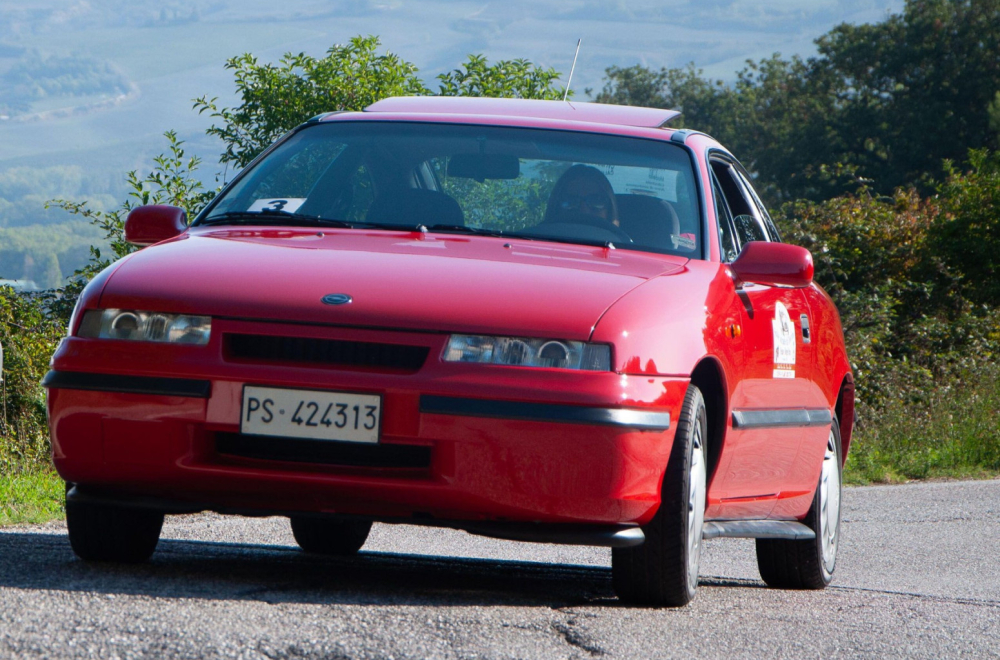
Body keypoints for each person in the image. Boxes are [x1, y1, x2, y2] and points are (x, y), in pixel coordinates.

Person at [543, 164, 620, 227]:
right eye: (571, 201)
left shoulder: (622, 245)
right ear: (556, 207)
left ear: (610, 210)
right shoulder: (536, 241)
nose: (584, 211)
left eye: (596, 201)